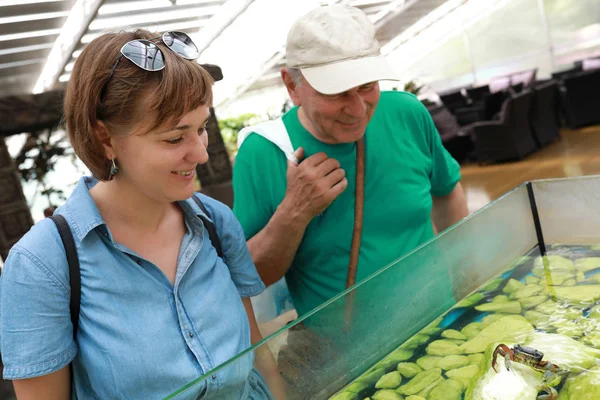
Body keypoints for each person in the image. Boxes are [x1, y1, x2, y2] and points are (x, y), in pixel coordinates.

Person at [0, 29, 284, 400]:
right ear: (104, 138)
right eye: (174, 138)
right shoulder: (42, 266)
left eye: (201, 129)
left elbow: (255, 348)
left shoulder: (215, 222)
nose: (199, 153)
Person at [232, 5, 469, 319]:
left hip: (443, 326)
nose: (358, 111)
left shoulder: (407, 113)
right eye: (337, 93)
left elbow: (447, 191)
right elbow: (251, 278)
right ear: (292, 86)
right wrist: (295, 212)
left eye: (367, 86)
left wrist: (466, 279)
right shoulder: (263, 153)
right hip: (346, 358)